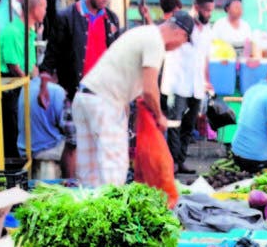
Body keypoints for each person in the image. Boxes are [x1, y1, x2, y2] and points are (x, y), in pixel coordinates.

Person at [72, 11, 193, 187]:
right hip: (104, 103)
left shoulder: (143, 32)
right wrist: (159, 116)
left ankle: (88, 210)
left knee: (89, 173)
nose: (179, 46)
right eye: (183, 42)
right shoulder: (155, 41)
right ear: (180, 34)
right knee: (114, 170)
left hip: (85, 98)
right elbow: (150, 89)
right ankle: (112, 212)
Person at [38, 0, 121, 106]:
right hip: (74, 95)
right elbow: (51, 56)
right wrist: (43, 87)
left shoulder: (111, 19)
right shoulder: (66, 17)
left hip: (105, 95)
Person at [162, 0, 215, 175]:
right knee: (174, 124)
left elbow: (205, 57)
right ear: (197, 7)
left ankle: (182, 160)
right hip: (178, 82)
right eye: (207, 10)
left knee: (189, 125)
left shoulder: (208, 30)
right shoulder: (182, 23)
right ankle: (172, 162)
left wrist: (208, 81)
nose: (209, 14)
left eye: (211, 11)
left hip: (197, 85)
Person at [0, 0, 47, 158]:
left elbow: (32, 64)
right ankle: (11, 161)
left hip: (23, 83)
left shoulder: (29, 32)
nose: (45, 12)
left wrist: (38, 82)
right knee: (11, 127)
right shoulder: (12, 31)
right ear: (35, 9)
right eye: (44, 7)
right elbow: (13, 65)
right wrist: (28, 82)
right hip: (10, 85)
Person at [17, 76, 75, 178]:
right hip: (46, 148)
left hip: (26, 147)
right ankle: (73, 182)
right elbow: (69, 130)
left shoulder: (26, 87)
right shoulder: (56, 91)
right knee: (76, 144)